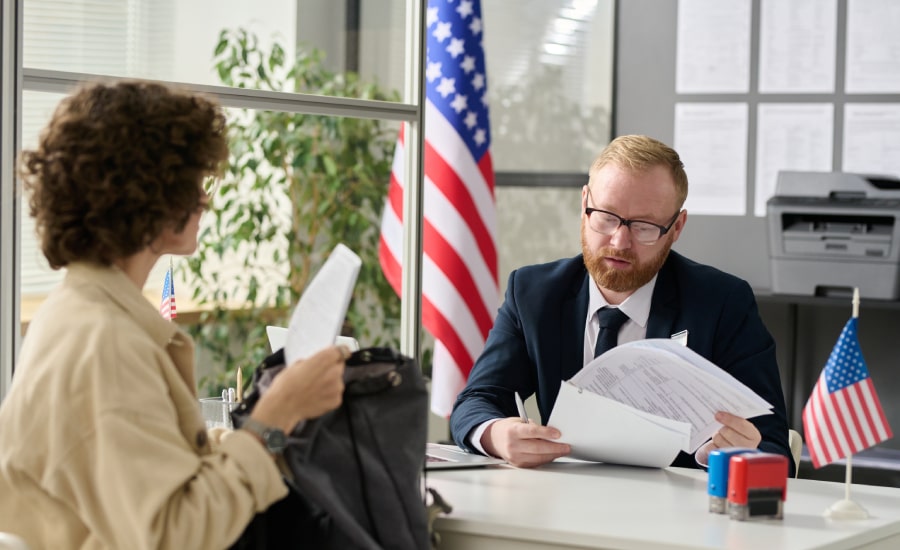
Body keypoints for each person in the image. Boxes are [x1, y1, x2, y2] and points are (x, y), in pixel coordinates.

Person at [0, 80, 349, 549]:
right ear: (147, 195)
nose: (203, 199)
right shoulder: (104, 342)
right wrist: (275, 416)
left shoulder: (82, 314)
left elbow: (153, 471)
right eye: (190, 183)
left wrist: (262, 433)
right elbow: (173, 534)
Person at [450, 134, 793, 473]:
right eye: (606, 216)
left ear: (676, 228)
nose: (620, 240)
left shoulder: (723, 303)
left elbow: (772, 444)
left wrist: (726, 453)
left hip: (678, 517)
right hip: (561, 504)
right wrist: (496, 435)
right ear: (584, 205)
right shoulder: (533, 293)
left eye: (644, 226)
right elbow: (476, 402)